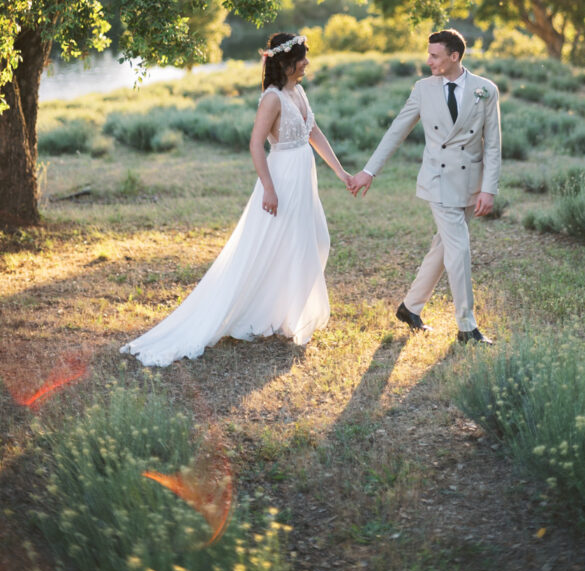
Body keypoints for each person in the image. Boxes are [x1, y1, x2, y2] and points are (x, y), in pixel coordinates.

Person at [121, 33, 350, 366]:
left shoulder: (297, 91)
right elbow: (256, 144)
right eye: (303, 57)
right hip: (282, 178)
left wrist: (342, 173)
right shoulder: (272, 98)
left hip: (303, 177)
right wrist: (268, 189)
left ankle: (285, 313)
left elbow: (313, 133)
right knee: (272, 245)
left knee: (307, 242)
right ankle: (265, 313)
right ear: (287, 63)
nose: (308, 62)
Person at [348, 29, 500, 344]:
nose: (428, 60)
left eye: (434, 55)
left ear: (454, 56)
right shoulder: (423, 89)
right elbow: (396, 131)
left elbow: (493, 145)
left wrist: (489, 188)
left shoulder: (485, 90)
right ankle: (467, 327)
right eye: (428, 54)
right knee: (459, 249)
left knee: (443, 246)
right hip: (439, 180)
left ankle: (410, 307)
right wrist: (369, 171)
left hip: (470, 182)